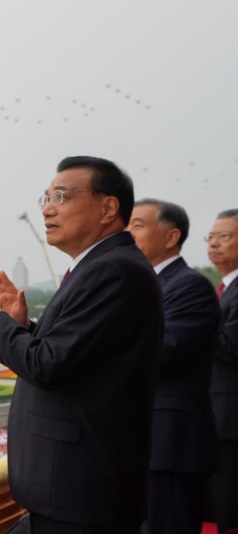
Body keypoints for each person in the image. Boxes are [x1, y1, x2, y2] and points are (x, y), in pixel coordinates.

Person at [0, 156, 163, 534]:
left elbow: (47, 365)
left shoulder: (112, 270)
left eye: (62, 196)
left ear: (108, 207)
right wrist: (22, 326)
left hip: (82, 490)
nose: (48, 209)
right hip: (75, 487)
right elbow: (77, 355)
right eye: (46, 199)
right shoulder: (98, 268)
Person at [127, 199, 219, 534]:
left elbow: (166, 350)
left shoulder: (189, 286)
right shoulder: (141, 284)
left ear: (171, 236)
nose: (126, 232)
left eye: (137, 225)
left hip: (171, 442)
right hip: (140, 442)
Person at [207, 209, 238, 534]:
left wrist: (197, 319)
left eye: (224, 237)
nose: (214, 244)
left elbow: (230, 345)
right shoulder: (225, 288)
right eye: (211, 238)